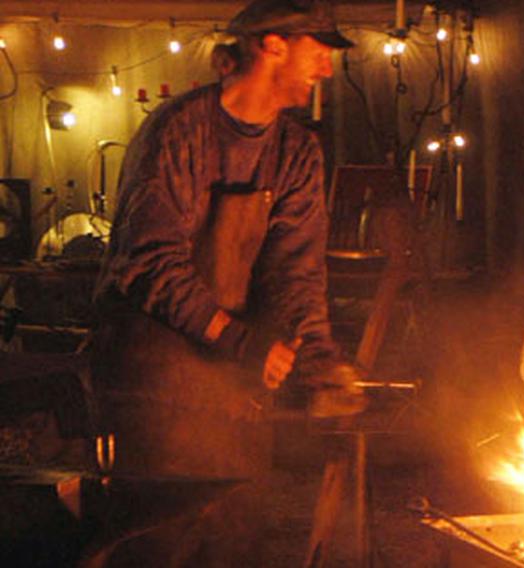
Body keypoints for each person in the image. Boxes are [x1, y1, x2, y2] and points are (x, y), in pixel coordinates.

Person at [89, 0, 364, 562]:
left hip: (234, 391)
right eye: (319, 50)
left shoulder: (296, 152)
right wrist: (240, 340)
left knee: (234, 544)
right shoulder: (179, 132)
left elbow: (298, 273)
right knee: (158, 544)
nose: (328, 69)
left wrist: (318, 365)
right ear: (273, 44)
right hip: (155, 385)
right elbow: (148, 262)